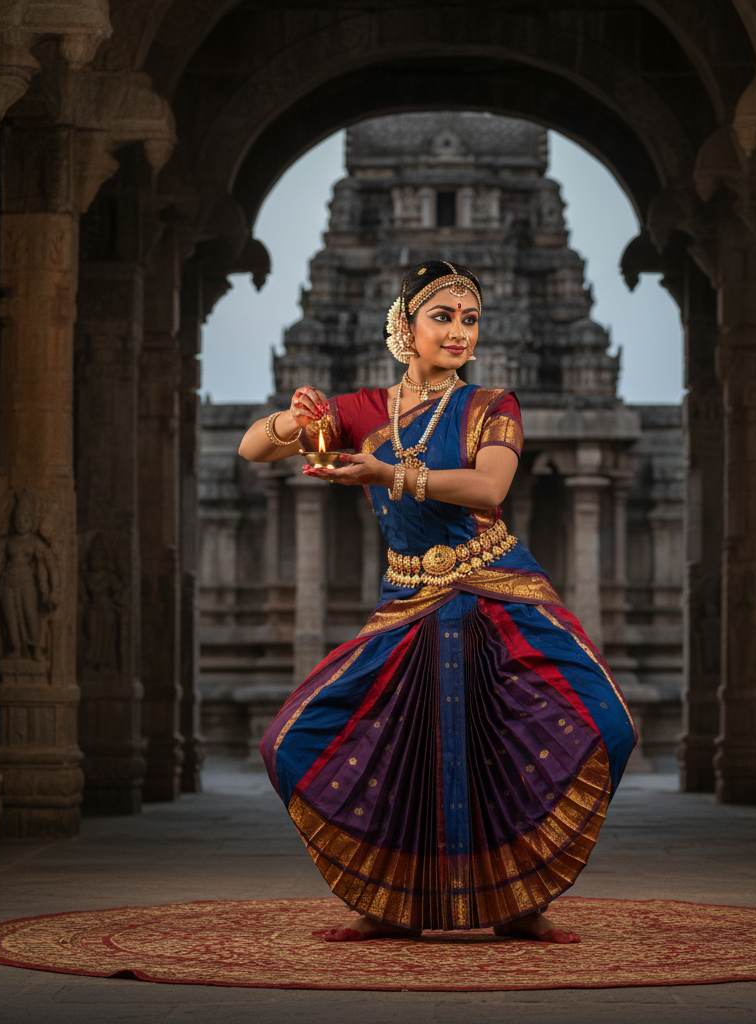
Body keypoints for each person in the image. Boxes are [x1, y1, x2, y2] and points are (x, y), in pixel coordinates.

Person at [241, 260, 636, 943]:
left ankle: (520, 900)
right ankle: (387, 902)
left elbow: (488, 490)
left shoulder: (493, 406)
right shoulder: (364, 409)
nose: (459, 332)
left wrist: (389, 473)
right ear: (404, 327)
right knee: (307, 740)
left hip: (497, 590)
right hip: (409, 600)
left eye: (470, 319)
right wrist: (291, 419)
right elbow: (254, 449)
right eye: (443, 317)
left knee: (600, 725)